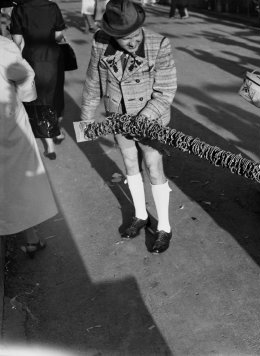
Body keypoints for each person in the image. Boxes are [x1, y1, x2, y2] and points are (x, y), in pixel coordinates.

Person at [81, 0, 177, 253]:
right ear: (113, 35)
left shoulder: (159, 44)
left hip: (151, 119)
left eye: (135, 35)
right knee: (130, 164)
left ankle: (164, 227)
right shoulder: (100, 42)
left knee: (154, 167)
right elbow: (93, 82)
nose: (132, 42)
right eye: (125, 39)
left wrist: (142, 119)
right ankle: (140, 215)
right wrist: (86, 120)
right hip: (118, 116)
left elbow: (165, 91)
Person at [0, 0, 58, 263]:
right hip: (4, 123)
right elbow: (25, 78)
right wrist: (23, 97)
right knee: (17, 181)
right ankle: (30, 240)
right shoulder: (1, 46)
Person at [10, 0, 67, 160]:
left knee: (39, 99)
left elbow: (17, 41)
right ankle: (58, 131)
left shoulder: (20, 9)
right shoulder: (52, 7)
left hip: (32, 59)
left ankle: (49, 146)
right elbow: (58, 35)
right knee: (55, 94)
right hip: (54, 58)